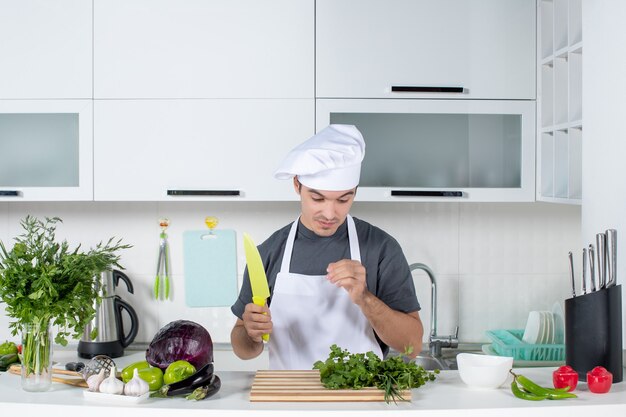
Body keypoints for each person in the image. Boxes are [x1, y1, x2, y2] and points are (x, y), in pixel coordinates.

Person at [230, 124, 423, 370]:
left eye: (344, 199)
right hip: (289, 400)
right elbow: (243, 349)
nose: (330, 213)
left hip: (361, 401)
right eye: (317, 198)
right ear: (297, 185)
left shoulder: (381, 249)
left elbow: (413, 345)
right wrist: (250, 332)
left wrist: (365, 299)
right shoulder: (268, 252)